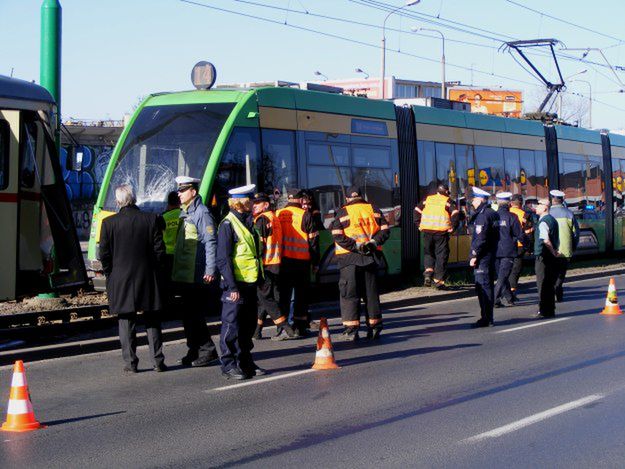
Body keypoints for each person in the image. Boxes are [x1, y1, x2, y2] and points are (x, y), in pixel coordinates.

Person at [99, 185, 166, 373]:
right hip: (147, 277)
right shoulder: (150, 219)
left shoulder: (109, 223)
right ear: (134, 198)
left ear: (118, 201)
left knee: (126, 320)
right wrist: (154, 270)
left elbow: (103, 254)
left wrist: (110, 273)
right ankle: (158, 361)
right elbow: (160, 251)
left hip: (120, 278)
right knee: (152, 319)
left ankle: (131, 363)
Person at [171, 176, 220, 368]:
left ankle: (208, 350)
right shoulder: (185, 212)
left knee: (195, 315)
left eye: (183, 190)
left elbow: (210, 242)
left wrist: (210, 269)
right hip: (184, 273)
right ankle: (194, 349)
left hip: (196, 273)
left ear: (193, 191)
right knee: (188, 316)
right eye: (179, 190)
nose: (179, 193)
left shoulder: (202, 212)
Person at [216, 184, 263, 380]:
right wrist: (232, 286)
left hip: (250, 282)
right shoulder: (228, 225)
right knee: (231, 324)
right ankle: (228, 364)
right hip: (235, 285)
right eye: (250, 201)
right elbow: (223, 259)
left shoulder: (248, 222)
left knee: (247, 324)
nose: (253, 204)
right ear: (241, 203)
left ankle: (245, 361)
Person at [331, 185, 390, 341]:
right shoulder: (373, 209)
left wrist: (355, 246)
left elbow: (337, 235)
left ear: (348, 198)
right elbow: (385, 230)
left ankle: (351, 330)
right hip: (370, 258)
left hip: (349, 259)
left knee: (350, 295)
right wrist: (372, 242)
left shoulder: (343, 211)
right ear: (361, 196)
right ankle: (375, 327)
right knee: (371, 295)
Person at [251, 192, 300, 341]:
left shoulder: (261, 220)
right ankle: (257, 331)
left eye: (257, 203)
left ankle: (286, 328)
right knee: (265, 298)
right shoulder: (274, 217)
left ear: (265, 205)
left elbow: (258, 246)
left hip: (265, 264)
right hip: (275, 263)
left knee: (265, 298)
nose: (254, 206)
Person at [277, 189, 320, 335]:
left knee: (284, 296)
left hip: (282, 262)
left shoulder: (278, 214)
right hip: (302, 262)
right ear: (300, 199)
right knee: (301, 296)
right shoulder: (305, 215)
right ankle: (300, 327)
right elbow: (314, 242)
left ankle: (284, 328)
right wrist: (315, 263)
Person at [414, 184, 459, 288]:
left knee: (428, 253)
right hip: (441, 233)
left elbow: (416, 211)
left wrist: (419, 225)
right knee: (441, 255)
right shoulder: (448, 201)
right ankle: (438, 281)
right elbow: (455, 214)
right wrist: (453, 227)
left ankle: (428, 273)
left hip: (427, 231)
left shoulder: (427, 199)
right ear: (446, 192)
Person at [468, 187, 499, 328]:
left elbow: (481, 238)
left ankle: (486, 318)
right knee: (487, 286)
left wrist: (474, 254)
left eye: (473, 199)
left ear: (480, 199)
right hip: (491, 254)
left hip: (483, 257)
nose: (472, 202)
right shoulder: (492, 213)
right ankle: (487, 317)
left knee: (483, 287)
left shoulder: (483, 215)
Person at [549, 189, 580, 302]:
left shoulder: (547, 213)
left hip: (550, 249)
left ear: (553, 199)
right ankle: (558, 288)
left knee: (551, 271)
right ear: (562, 200)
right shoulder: (569, 213)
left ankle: (552, 289)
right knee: (561, 272)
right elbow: (576, 233)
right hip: (565, 249)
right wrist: (573, 246)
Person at [493, 192, 523, 307]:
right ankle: (494, 299)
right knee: (502, 276)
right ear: (509, 204)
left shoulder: (492, 216)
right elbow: (519, 234)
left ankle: (509, 298)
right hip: (508, 251)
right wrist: (527, 245)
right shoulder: (512, 217)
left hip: (495, 250)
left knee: (502, 275)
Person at [534, 198, 560, 319]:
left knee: (543, 284)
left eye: (538, 205)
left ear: (545, 207)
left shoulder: (544, 221)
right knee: (549, 283)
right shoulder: (553, 220)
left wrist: (552, 251)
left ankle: (544, 310)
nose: (536, 207)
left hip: (544, 256)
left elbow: (545, 240)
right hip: (550, 257)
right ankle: (550, 309)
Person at [508, 194, 534, 302]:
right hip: (519, 246)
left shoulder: (505, 213)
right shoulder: (524, 215)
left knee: (507, 269)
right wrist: (529, 249)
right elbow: (529, 232)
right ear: (521, 203)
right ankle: (512, 291)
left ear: (511, 203)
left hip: (506, 245)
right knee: (516, 269)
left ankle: (505, 290)